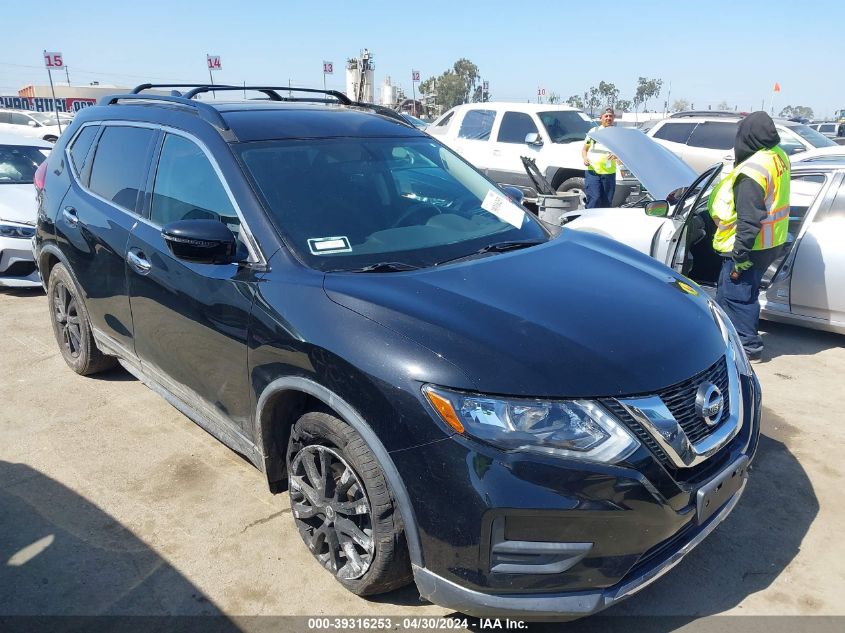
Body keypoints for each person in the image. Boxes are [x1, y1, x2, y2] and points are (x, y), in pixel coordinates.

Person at [708, 111, 790, 362]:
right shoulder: (777, 156)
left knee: (738, 297)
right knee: (737, 293)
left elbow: (749, 217)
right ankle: (728, 340)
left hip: (748, 247)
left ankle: (748, 348)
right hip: (771, 241)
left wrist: (739, 253)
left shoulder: (752, 171)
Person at [581, 107, 617, 208]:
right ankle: (588, 220)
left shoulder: (617, 134)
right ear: (601, 118)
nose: (608, 118)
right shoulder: (593, 132)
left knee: (606, 203)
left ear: (614, 118)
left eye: (610, 116)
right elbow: (585, 149)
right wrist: (585, 158)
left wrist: (616, 155)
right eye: (606, 116)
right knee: (594, 199)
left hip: (609, 173)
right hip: (593, 172)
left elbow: (623, 152)